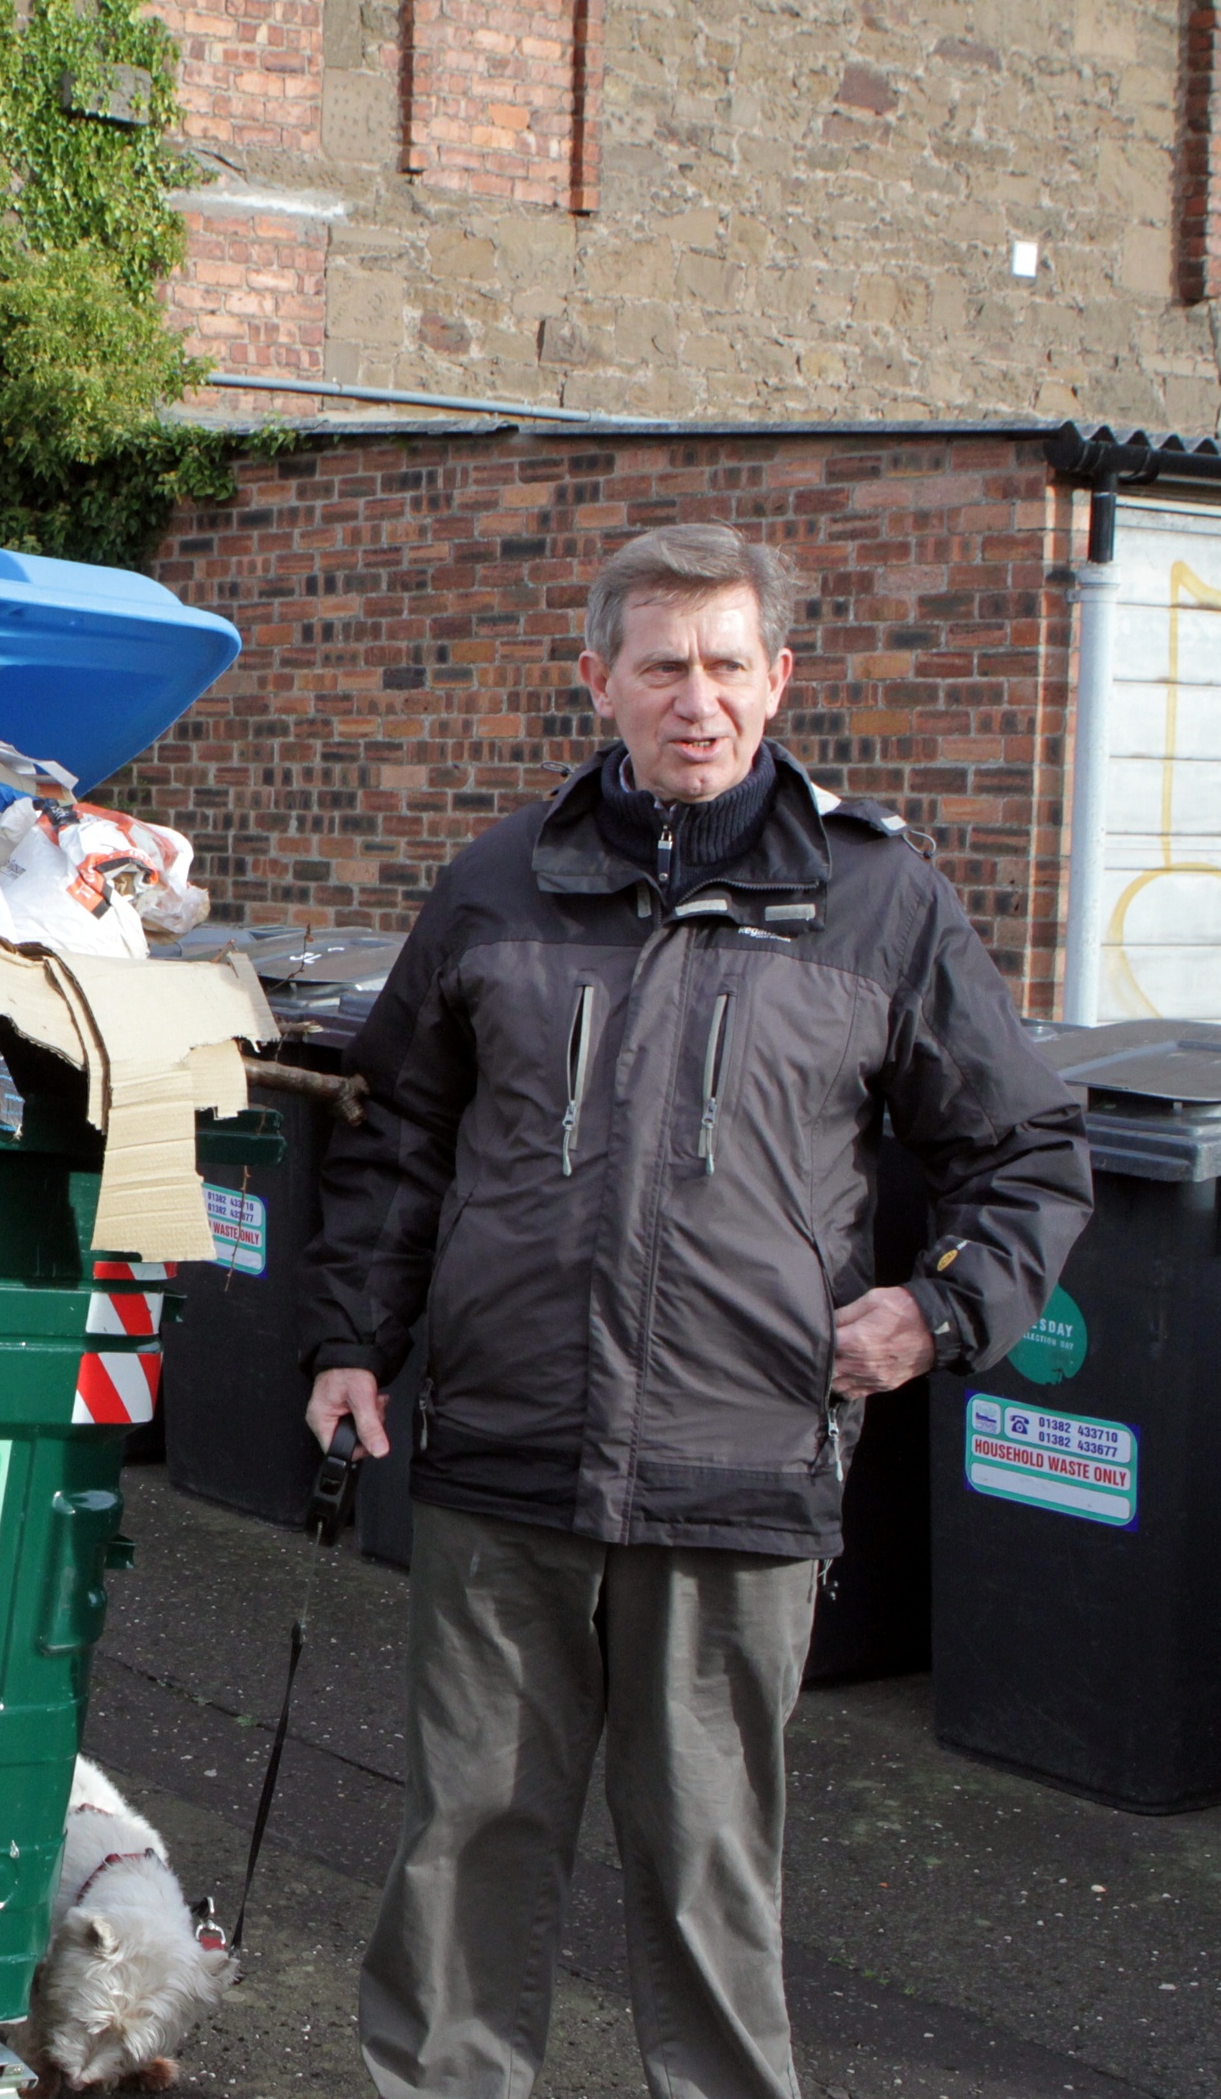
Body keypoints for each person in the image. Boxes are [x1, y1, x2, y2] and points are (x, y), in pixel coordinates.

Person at [299, 524, 1092, 2099]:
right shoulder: (496, 888)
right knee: (466, 1842)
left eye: (730, 664)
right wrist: (346, 1341)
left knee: (711, 1866)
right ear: (599, 678)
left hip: (742, 1469)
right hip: (508, 1456)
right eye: (661, 665)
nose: (697, 699)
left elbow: (1024, 1151)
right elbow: (396, 1139)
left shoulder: (879, 904)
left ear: (780, 679)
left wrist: (935, 1317)